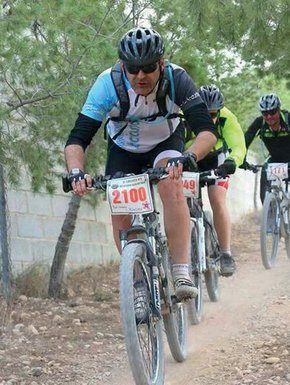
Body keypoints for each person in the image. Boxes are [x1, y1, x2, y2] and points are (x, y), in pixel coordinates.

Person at [64, 27, 219, 302]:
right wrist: (76, 172)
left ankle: (181, 270)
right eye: (133, 69)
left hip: (166, 143)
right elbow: (77, 138)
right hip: (124, 148)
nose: (140, 76)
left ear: (161, 63)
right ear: (123, 65)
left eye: (148, 68)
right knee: (119, 205)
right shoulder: (106, 84)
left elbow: (206, 131)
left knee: (171, 185)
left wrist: (189, 156)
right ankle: (136, 283)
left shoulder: (176, 78)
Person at [185, 85, 246, 276]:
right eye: (205, 113)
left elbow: (238, 146)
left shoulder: (227, 117)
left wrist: (231, 162)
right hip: (191, 158)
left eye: (213, 114)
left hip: (216, 160)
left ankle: (226, 253)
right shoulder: (183, 115)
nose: (210, 119)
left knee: (218, 199)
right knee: (184, 204)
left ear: (219, 111)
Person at [242, 93, 290, 202]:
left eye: (272, 112)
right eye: (265, 113)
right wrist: (242, 160)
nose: (269, 117)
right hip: (274, 158)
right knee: (264, 172)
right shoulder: (260, 122)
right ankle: (267, 210)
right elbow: (246, 140)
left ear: (279, 110)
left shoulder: (288, 119)